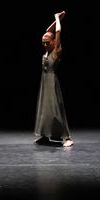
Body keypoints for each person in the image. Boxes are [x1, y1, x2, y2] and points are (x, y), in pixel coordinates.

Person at [34, 11, 73, 147]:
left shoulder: (56, 50)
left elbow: (57, 33)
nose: (45, 45)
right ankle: (45, 136)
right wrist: (57, 20)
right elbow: (47, 31)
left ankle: (67, 137)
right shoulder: (46, 51)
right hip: (44, 82)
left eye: (47, 42)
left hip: (52, 81)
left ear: (53, 42)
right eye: (43, 43)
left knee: (56, 109)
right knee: (45, 109)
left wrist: (57, 18)